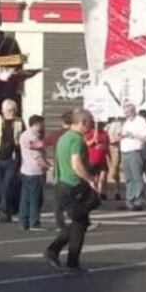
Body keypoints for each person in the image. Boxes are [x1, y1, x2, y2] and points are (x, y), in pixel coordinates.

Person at [44, 109, 99, 274]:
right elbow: (76, 164)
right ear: (82, 122)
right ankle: (68, 260)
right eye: (89, 122)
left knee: (79, 222)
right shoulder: (76, 140)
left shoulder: (63, 138)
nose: (91, 125)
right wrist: (90, 179)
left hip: (62, 183)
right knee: (81, 220)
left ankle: (59, 254)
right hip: (74, 185)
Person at [0, 99, 24, 222]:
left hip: (12, 158)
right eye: (9, 110)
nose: (11, 112)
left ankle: (3, 210)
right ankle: (6, 209)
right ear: (3, 110)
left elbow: (22, 139)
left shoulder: (19, 122)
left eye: (13, 110)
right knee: (0, 186)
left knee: (7, 184)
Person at [117, 103, 146, 211]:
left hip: (135, 151)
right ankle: (129, 200)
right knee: (128, 178)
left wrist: (132, 135)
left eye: (128, 112)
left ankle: (138, 201)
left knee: (137, 177)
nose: (126, 115)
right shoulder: (126, 122)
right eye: (125, 113)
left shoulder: (140, 121)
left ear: (133, 111)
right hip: (125, 151)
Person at [18, 115, 48, 231]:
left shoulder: (24, 134)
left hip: (25, 169)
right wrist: (47, 167)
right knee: (36, 198)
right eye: (42, 124)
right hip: (35, 171)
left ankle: (23, 221)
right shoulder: (34, 137)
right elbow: (37, 156)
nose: (43, 126)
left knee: (25, 197)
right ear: (37, 124)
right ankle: (34, 222)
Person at [85, 121, 110, 201]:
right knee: (92, 178)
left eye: (100, 124)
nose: (99, 126)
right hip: (92, 158)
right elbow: (87, 144)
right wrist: (94, 139)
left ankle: (100, 193)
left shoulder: (105, 133)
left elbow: (107, 145)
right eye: (97, 124)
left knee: (102, 178)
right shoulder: (89, 133)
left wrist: (109, 156)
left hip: (102, 159)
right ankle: (94, 193)